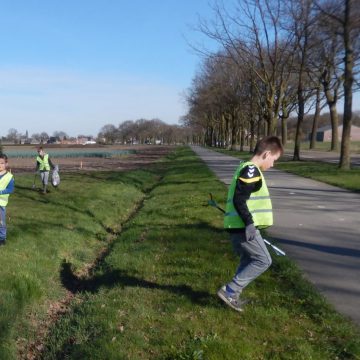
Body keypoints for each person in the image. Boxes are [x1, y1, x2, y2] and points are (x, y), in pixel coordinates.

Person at [218, 136, 284, 312]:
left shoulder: (246, 168)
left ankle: (232, 295)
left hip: (240, 226)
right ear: (266, 154)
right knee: (264, 260)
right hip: (244, 227)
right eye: (274, 160)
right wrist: (249, 223)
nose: (273, 164)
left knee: (249, 259)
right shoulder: (251, 170)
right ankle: (230, 290)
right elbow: (240, 199)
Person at [0, 154, 15, 246]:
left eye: (2, 163)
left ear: (6, 164)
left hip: (1, 203)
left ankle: (2, 238)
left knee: (1, 221)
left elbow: (10, 189)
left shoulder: (9, 176)